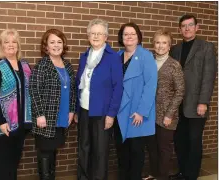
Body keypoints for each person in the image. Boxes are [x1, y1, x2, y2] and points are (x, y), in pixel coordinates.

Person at [169, 14, 217, 180]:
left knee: (194, 141)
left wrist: (203, 102)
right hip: (178, 105)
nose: (187, 28)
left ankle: (191, 175)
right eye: (184, 26)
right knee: (180, 140)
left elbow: (209, 76)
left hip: (196, 104)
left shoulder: (206, 47)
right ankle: (182, 171)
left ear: (197, 27)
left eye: (190, 25)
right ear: (180, 29)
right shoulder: (175, 49)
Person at [75, 18, 123, 180]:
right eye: (92, 33)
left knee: (100, 151)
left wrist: (111, 114)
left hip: (102, 112)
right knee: (84, 147)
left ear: (106, 37)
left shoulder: (113, 57)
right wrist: (76, 110)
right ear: (88, 36)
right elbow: (78, 84)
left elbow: (118, 87)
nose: (95, 36)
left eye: (99, 33)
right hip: (84, 109)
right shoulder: (84, 56)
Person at [0, 29, 32, 180]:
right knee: (4, 165)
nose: (11, 45)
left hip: (21, 124)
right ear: (1, 46)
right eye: (6, 42)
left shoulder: (25, 65)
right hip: (3, 124)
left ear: (18, 45)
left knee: (14, 163)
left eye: (14, 41)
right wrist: (1, 122)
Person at [29, 29, 76, 180]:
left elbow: (73, 90)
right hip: (46, 117)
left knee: (53, 152)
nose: (56, 45)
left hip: (62, 116)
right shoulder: (42, 65)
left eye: (59, 42)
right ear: (46, 46)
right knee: (45, 152)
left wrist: (71, 110)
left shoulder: (68, 66)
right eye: (52, 42)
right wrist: (39, 114)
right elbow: (34, 90)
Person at [114, 22, 158, 180]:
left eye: (133, 33)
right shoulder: (117, 56)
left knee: (136, 152)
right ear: (121, 37)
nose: (129, 37)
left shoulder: (146, 56)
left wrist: (141, 111)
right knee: (122, 152)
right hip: (119, 113)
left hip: (136, 113)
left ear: (138, 36)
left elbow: (151, 85)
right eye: (126, 34)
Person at [143, 29, 185, 180]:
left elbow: (180, 91)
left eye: (164, 43)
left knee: (164, 149)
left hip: (167, 115)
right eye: (158, 42)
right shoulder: (148, 63)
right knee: (152, 148)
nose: (160, 46)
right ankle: (154, 174)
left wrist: (169, 114)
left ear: (169, 46)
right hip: (149, 114)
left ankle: (162, 177)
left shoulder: (174, 65)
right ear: (153, 44)